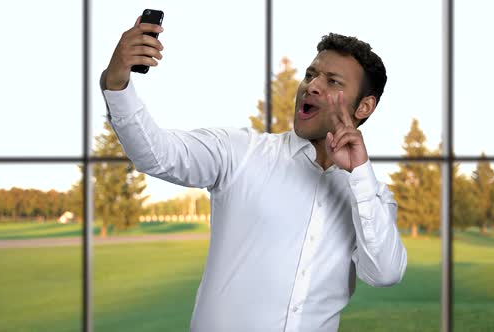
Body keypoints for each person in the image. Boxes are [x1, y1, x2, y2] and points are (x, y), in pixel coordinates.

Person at [101, 17, 407, 332]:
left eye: (333, 81)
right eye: (311, 75)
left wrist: (359, 175)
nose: (312, 85)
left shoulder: (372, 197)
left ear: (364, 107)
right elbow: (157, 154)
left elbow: (384, 274)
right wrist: (117, 81)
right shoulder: (241, 152)